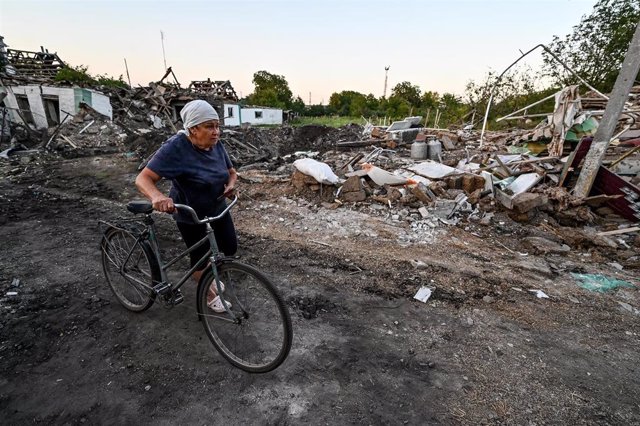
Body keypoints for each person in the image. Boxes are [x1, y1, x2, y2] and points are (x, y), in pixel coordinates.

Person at [135, 100, 237, 313]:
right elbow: (143, 178)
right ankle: (208, 293)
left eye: (217, 126)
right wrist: (157, 197)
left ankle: (210, 275)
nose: (216, 132)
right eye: (209, 126)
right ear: (193, 129)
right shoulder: (175, 148)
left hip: (217, 207)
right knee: (200, 258)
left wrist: (230, 186)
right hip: (191, 213)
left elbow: (231, 172)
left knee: (228, 247)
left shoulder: (215, 143)